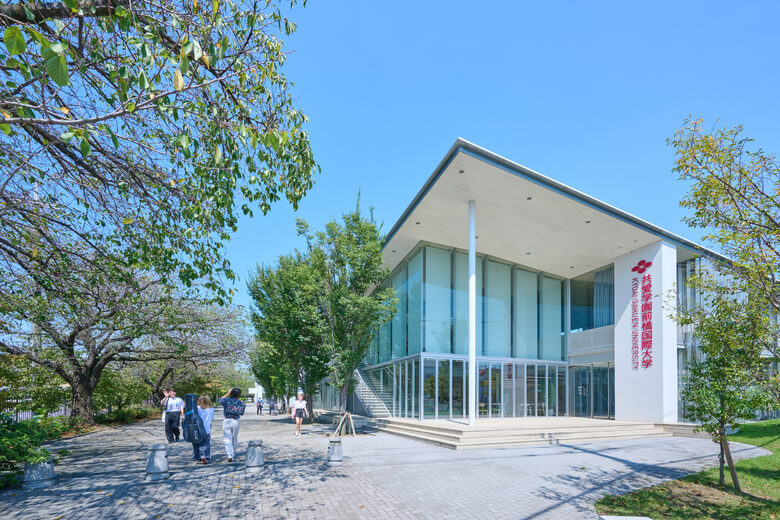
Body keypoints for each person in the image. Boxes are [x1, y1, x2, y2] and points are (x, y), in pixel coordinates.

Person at [218, 388, 244, 462]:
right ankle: (233, 452)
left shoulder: (226, 401)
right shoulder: (239, 402)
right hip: (236, 421)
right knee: (234, 437)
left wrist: (227, 393)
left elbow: (219, 400)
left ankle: (230, 454)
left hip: (227, 420)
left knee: (227, 438)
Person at [193, 395, 214, 464]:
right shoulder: (211, 409)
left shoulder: (197, 408)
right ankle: (205, 456)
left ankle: (197, 457)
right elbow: (212, 418)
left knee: (196, 443)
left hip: (197, 428)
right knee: (206, 443)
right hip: (207, 428)